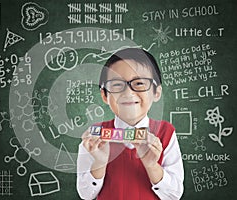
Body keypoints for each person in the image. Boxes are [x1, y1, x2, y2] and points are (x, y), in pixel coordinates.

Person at [76, 48, 184, 200]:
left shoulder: (166, 132)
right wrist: (99, 162)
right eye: (116, 84)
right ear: (104, 95)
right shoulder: (95, 137)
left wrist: (152, 166)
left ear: (156, 92)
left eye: (139, 83)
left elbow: (174, 195)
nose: (128, 92)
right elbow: (86, 194)